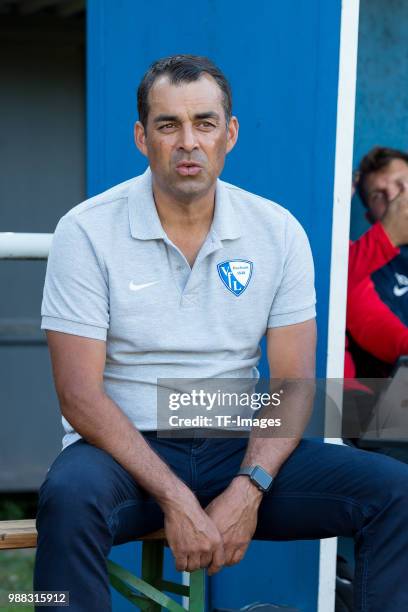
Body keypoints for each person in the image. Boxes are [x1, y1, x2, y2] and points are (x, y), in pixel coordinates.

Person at [34, 55, 408, 612]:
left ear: (228, 133)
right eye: (168, 125)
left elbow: (293, 383)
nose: (188, 141)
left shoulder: (276, 230)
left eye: (204, 123)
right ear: (142, 137)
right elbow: (79, 394)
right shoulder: (86, 230)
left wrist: (250, 486)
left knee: (395, 491)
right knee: (67, 499)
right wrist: (175, 496)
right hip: (120, 452)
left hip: (234, 443)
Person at [346, 147, 408, 379]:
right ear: (370, 217)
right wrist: (387, 236)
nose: (393, 198)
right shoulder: (363, 264)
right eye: (378, 196)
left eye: (402, 184)